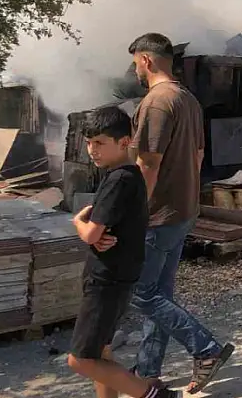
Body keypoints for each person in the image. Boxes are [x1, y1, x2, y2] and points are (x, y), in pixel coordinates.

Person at [128, 33, 235, 393]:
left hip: (158, 214)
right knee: (160, 294)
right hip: (183, 209)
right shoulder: (188, 100)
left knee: (141, 293)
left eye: (135, 64)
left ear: (146, 61)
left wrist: (132, 211)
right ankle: (147, 372)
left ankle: (206, 349)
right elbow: (200, 155)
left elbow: (147, 162)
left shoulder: (157, 102)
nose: (135, 71)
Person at [68, 106, 178, 398]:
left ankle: (155, 396)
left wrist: (79, 223)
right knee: (101, 351)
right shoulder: (130, 176)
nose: (93, 150)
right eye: (89, 143)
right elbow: (106, 231)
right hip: (121, 275)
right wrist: (97, 236)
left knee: (80, 359)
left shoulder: (118, 179)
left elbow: (91, 232)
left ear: (124, 141)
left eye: (101, 143)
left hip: (106, 280)